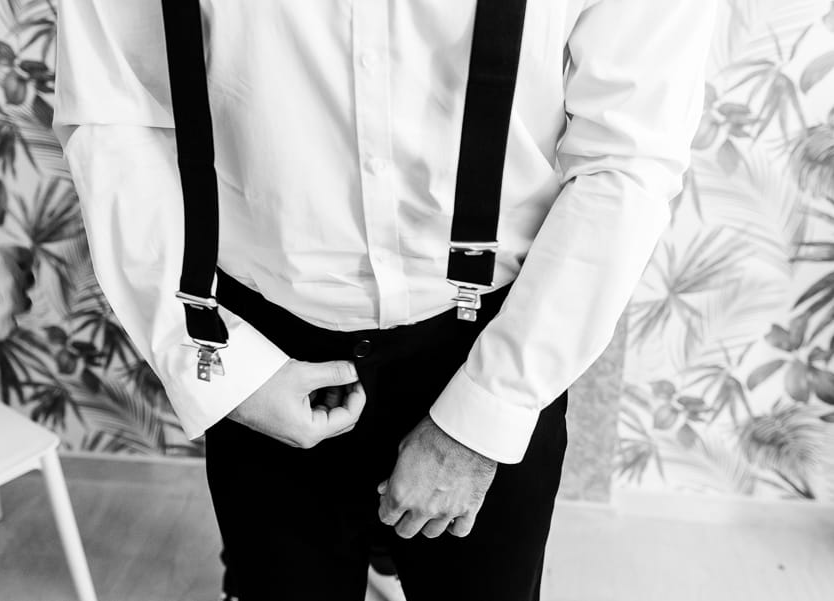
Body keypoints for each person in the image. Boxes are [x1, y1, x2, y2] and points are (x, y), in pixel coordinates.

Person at [51, 1, 716, 599]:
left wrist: (486, 414)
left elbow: (626, 161)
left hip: (492, 341)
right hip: (260, 345)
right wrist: (217, 363)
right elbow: (115, 111)